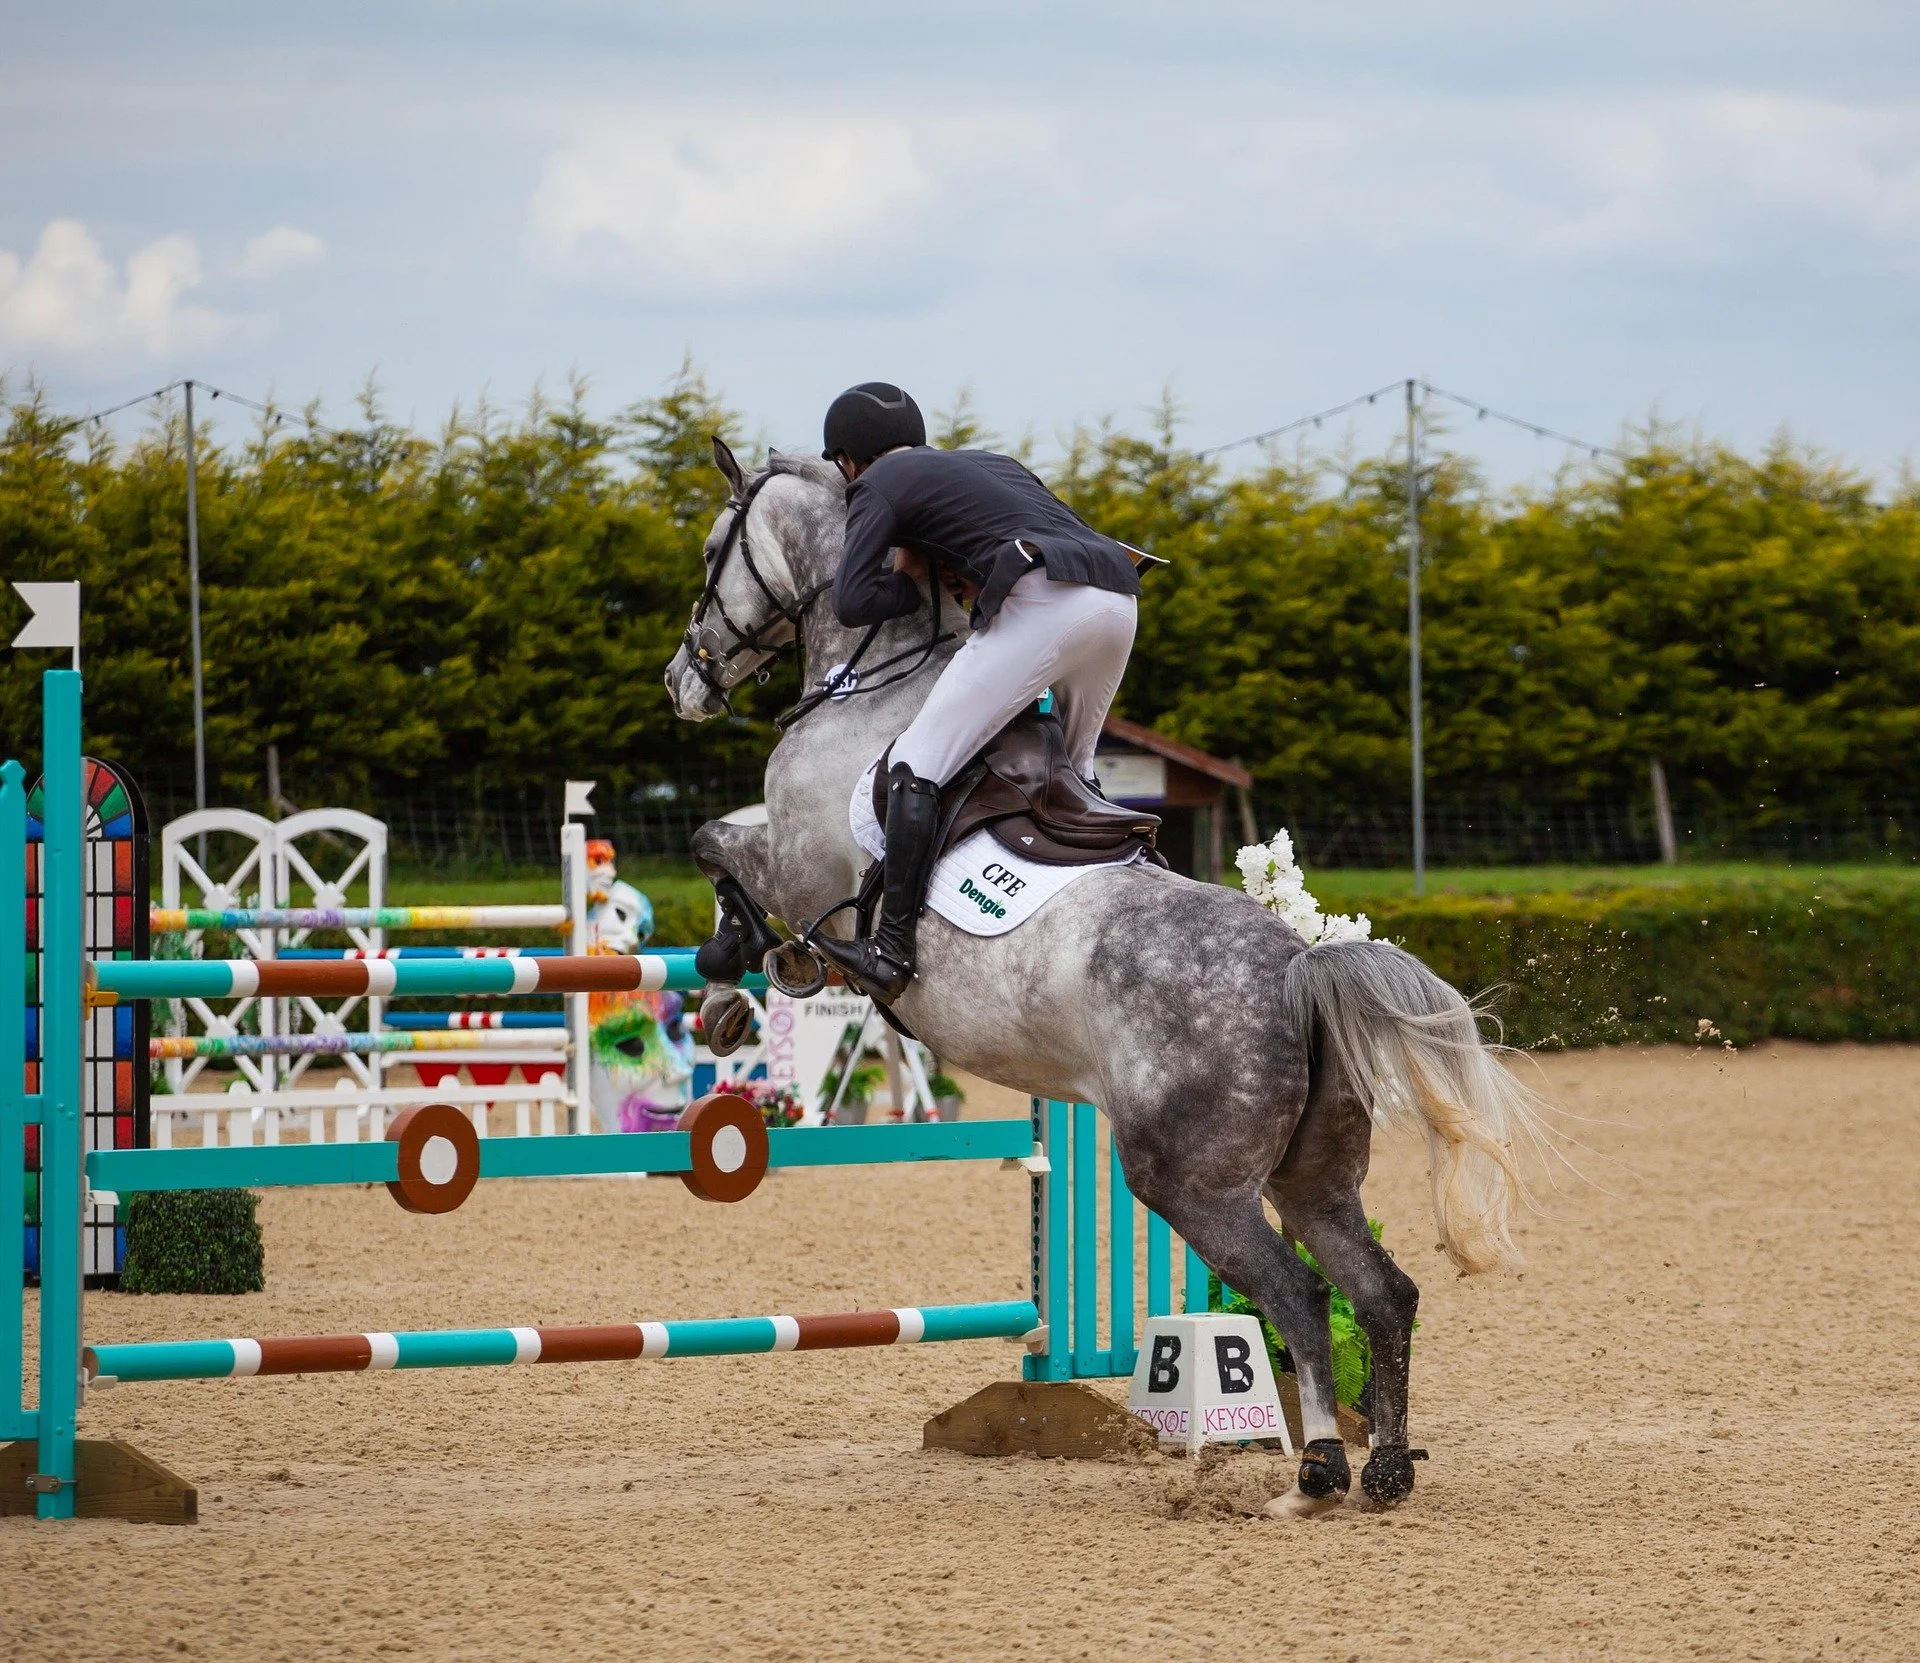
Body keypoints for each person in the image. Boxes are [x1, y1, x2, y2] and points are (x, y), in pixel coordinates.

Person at [810, 381, 1143, 1000]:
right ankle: (1128, 896)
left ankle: (890, 949)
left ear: (848, 459)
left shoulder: (877, 483)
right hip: (1120, 597)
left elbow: (853, 601)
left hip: (1045, 604)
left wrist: (907, 581)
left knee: (916, 763)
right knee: (1076, 773)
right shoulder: (995, 465)